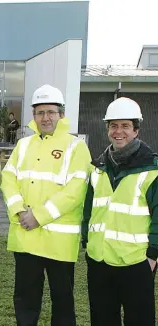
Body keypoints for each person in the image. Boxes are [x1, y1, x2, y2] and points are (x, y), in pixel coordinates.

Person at [0, 84, 91, 326]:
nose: (45, 117)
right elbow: (8, 179)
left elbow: (75, 190)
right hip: (26, 238)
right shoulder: (24, 145)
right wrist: (19, 210)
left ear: (61, 114)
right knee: (25, 300)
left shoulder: (76, 147)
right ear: (34, 116)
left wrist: (38, 216)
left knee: (62, 301)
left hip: (58, 242)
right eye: (40, 112)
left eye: (51, 112)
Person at [81, 97, 158, 325]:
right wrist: (88, 242)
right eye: (113, 126)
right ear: (107, 129)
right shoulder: (98, 168)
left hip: (136, 263)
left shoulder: (151, 169)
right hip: (99, 261)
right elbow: (89, 210)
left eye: (125, 126)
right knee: (102, 320)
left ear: (136, 130)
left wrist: (152, 256)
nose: (118, 132)